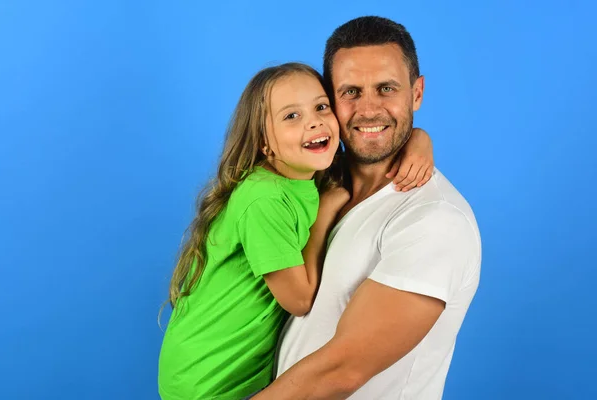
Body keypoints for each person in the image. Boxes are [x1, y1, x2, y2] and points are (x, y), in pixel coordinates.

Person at [157, 62, 434, 399]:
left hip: (243, 374)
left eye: (321, 107)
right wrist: (324, 217)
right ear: (264, 143)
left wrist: (419, 139)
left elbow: (372, 144)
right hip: (206, 379)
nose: (314, 121)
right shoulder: (264, 200)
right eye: (291, 116)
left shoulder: (306, 174)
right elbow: (299, 300)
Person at [253, 16, 482, 400]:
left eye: (387, 88)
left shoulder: (434, 220)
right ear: (327, 102)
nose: (369, 109)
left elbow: (344, 369)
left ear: (417, 93)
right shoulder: (317, 188)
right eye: (351, 92)